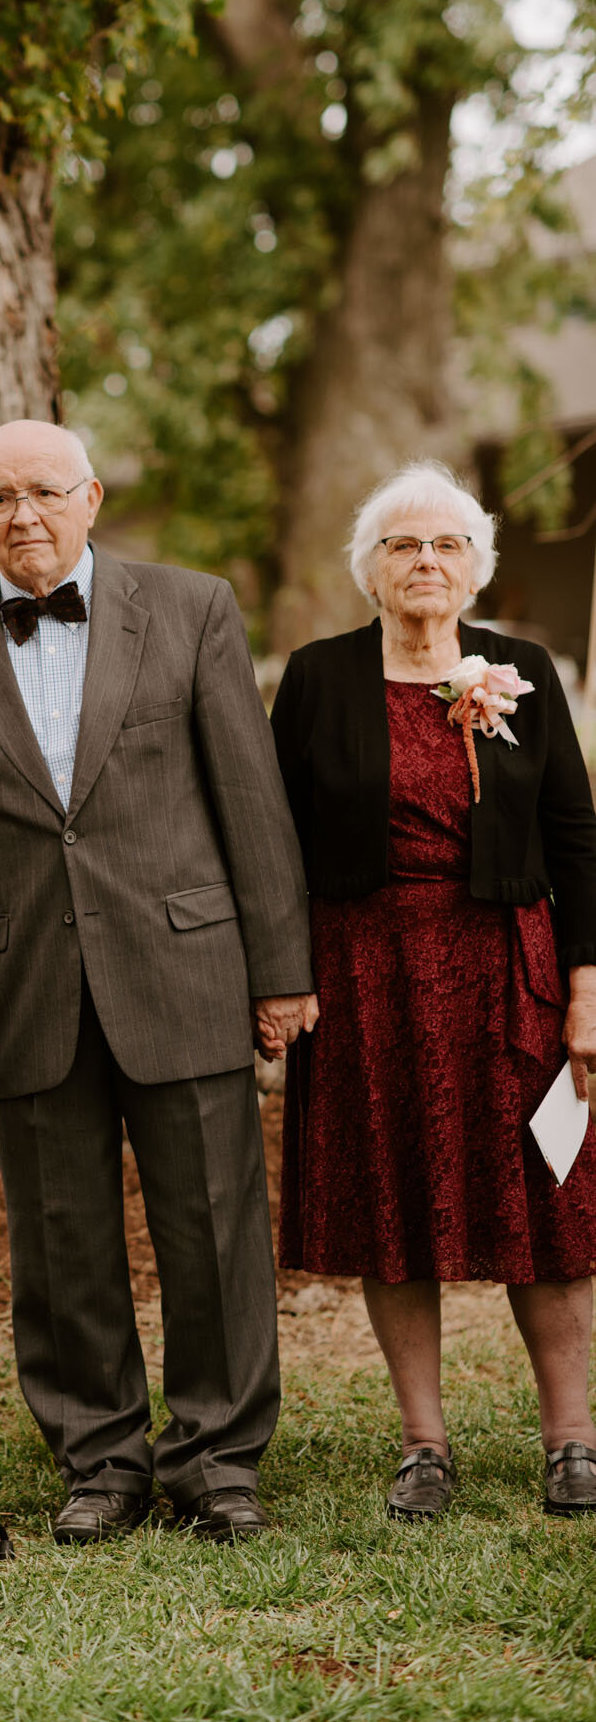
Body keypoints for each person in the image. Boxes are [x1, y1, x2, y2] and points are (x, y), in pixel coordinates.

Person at [0, 420, 312, 1543]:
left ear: (93, 497)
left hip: (186, 963)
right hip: (33, 982)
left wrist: (280, 969)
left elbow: (252, 803)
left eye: (45, 491)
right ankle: (100, 1457)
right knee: (61, 1237)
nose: (25, 514)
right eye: (0, 498)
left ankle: (217, 1459)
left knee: (213, 1226)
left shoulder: (192, 607)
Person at [271, 459, 596, 1520]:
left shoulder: (522, 665)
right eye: (404, 544)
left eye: (447, 544)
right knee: (390, 1202)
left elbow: (576, 838)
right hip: (368, 977)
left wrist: (587, 988)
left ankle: (574, 1439)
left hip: (512, 974)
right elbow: (275, 837)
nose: (425, 561)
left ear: (476, 566)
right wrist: (280, 974)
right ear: (370, 569)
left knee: (543, 1203)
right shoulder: (320, 676)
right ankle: (424, 1442)